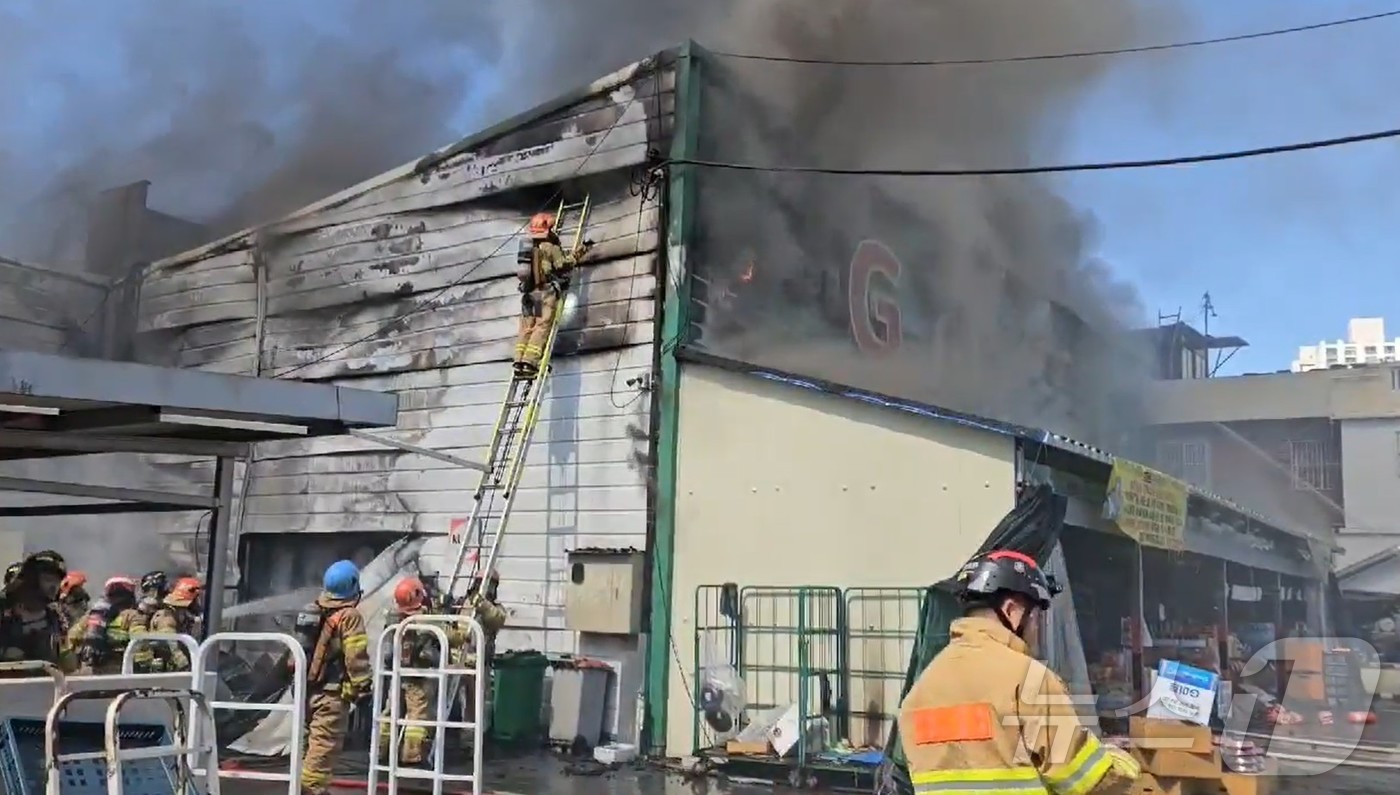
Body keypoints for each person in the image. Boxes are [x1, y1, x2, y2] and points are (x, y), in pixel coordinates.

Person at [897, 550, 1140, 795]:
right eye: (1035, 618)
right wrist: (1122, 761)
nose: (1036, 630)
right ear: (1012, 611)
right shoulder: (1029, 680)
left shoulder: (918, 694)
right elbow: (1085, 781)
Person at [300, 560, 372, 795]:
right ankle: (311, 790)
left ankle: (304, 785)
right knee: (324, 745)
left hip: (306, 690)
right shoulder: (349, 616)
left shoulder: (314, 608)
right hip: (331, 694)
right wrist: (363, 688)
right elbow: (355, 656)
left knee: (308, 743)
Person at [378, 577, 457, 765]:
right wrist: (448, 617)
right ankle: (411, 757)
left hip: (397, 675)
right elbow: (455, 637)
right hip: (419, 677)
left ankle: (381, 753)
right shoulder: (426, 620)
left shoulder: (393, 618)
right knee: (417, 719)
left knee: (390, 714)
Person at [511, 212, 590, 379]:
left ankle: (519, 361)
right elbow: (562, 265)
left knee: (527, 326)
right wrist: (578, 254)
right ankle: (530, 362)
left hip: (528, 294)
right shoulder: (550, 247)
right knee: (541, 325)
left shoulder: (528, 247)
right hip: (543, 293)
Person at [0, 551, 76, 672]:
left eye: (57, 581)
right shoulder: (3, 608)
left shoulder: (55, 615)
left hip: (44, 685)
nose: (54, 586)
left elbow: (66, 660)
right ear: (31, 580)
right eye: (48, 579)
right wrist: (4, 653)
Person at [80, 575, 154, 674]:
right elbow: (140, 643)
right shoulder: (132, 616)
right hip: (120, 674)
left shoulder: (91, 616)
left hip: (92, 674)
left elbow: (70, 640)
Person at [150, 577, 203, 671]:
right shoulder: (166, 618)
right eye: (197, 599)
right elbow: (171, 645)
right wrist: (187, 667)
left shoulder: (181, 614)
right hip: (166, 673)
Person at [57, 571, 91, 653]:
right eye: (77, 600)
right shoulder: (56, 622)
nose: (83, 605)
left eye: (84, 599)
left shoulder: (91, 620)